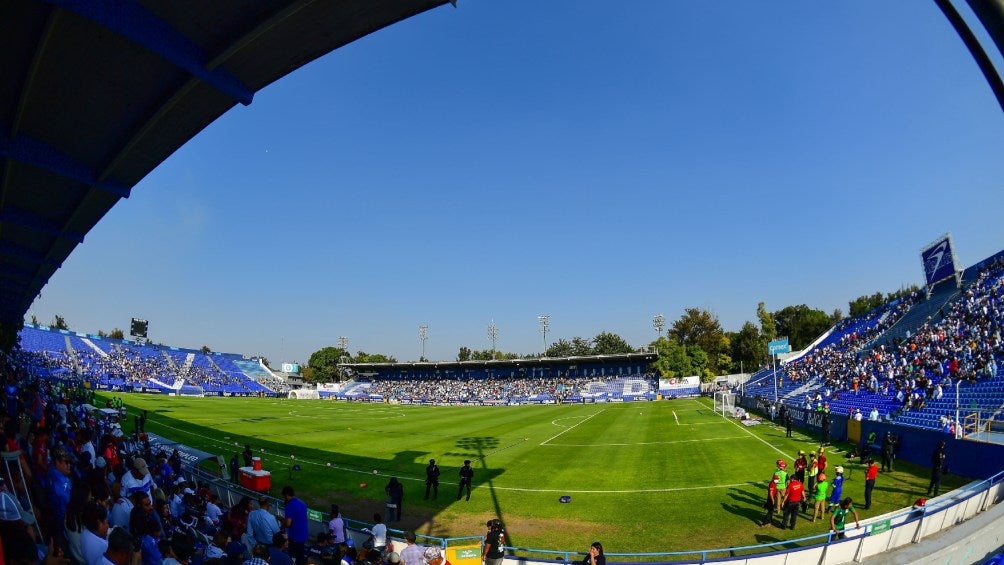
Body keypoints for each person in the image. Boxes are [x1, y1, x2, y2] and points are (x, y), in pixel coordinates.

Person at [282, 486, 309, 565]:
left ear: (287, 495)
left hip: (295, 537)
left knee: (293, 557)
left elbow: (288, 523)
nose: (284, 498)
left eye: (284, 497)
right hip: (304, 534)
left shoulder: (289, 505)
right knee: (300, 555)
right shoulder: (302, 502)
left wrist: (282, 524)